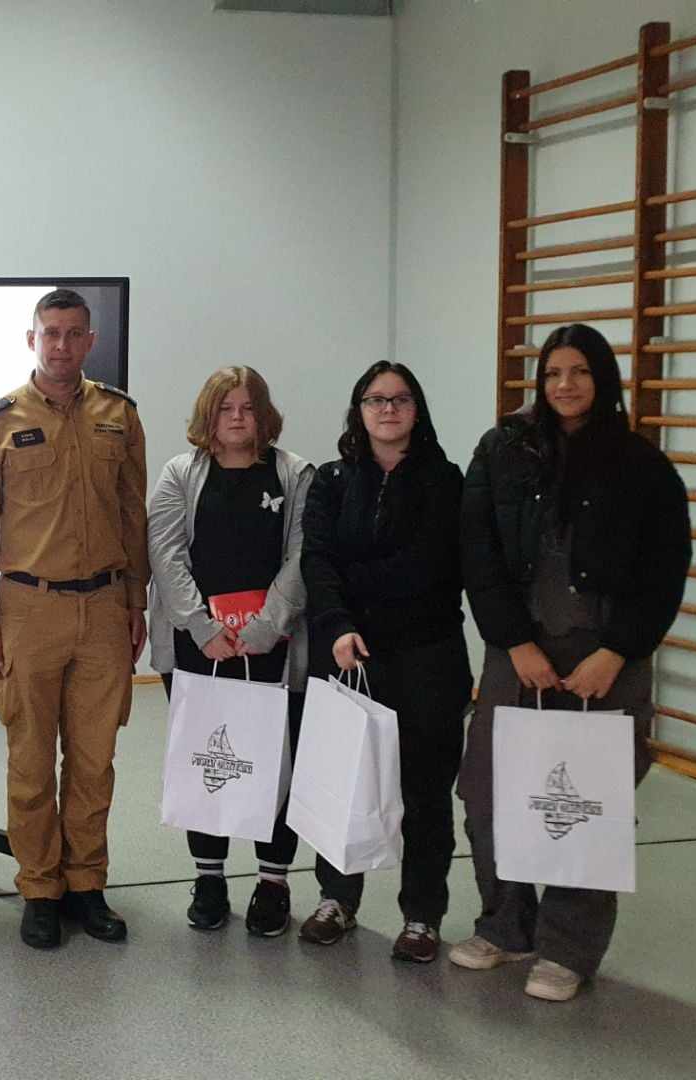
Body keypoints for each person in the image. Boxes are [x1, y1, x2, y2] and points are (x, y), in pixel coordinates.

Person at [455, 323, 690, 1001]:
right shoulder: (501, 450)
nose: (565, 385)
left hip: (605, 657)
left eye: (580, 371)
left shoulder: (642, 466)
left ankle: (568, 947)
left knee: (586, 801)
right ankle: (506, 925)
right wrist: (515, 643)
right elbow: (477, 552)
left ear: (602, 379)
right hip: (517, 651)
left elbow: (665, 569)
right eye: (554, 372)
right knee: (486, 792)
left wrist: (617, 651)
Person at [0, 288, 150, 950]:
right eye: (50, 333)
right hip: (28, 610)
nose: (61, 344)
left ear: (90, 340)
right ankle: (40, 888)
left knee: (95, 761)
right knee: (32, 760)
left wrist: (136, 600)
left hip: (104, 608)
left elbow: (132, 514)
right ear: (32, 339)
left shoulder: (119, 415)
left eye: (73, 333)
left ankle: (86, 885)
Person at [299, 361, 471, 961]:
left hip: (428, 657)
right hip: (347, 655)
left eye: (400, 399)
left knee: (426, 793)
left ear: (417, 410)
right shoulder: (331, 481)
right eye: (375, 399)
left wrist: (360, 584)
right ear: (359, 410)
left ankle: (422, 915)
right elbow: (318, 561)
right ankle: (337, 899)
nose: (388, 409)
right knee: (344, 781)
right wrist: (338, 622)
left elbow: (434, 565)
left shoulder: (447, 481)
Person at [147, 366, 313, 938]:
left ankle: (273, 882)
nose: (237, 417)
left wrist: (265, 627)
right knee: (207, 762)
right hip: (199, 646)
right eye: (226, 408)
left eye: (247, 407)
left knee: (276, 762)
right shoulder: (179, 473)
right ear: (208, 415)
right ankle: (210, 879)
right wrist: (201, 627)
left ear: (264, 415)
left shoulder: (295, 475)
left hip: (274, 644)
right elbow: (166, 554)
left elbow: (302, 556)